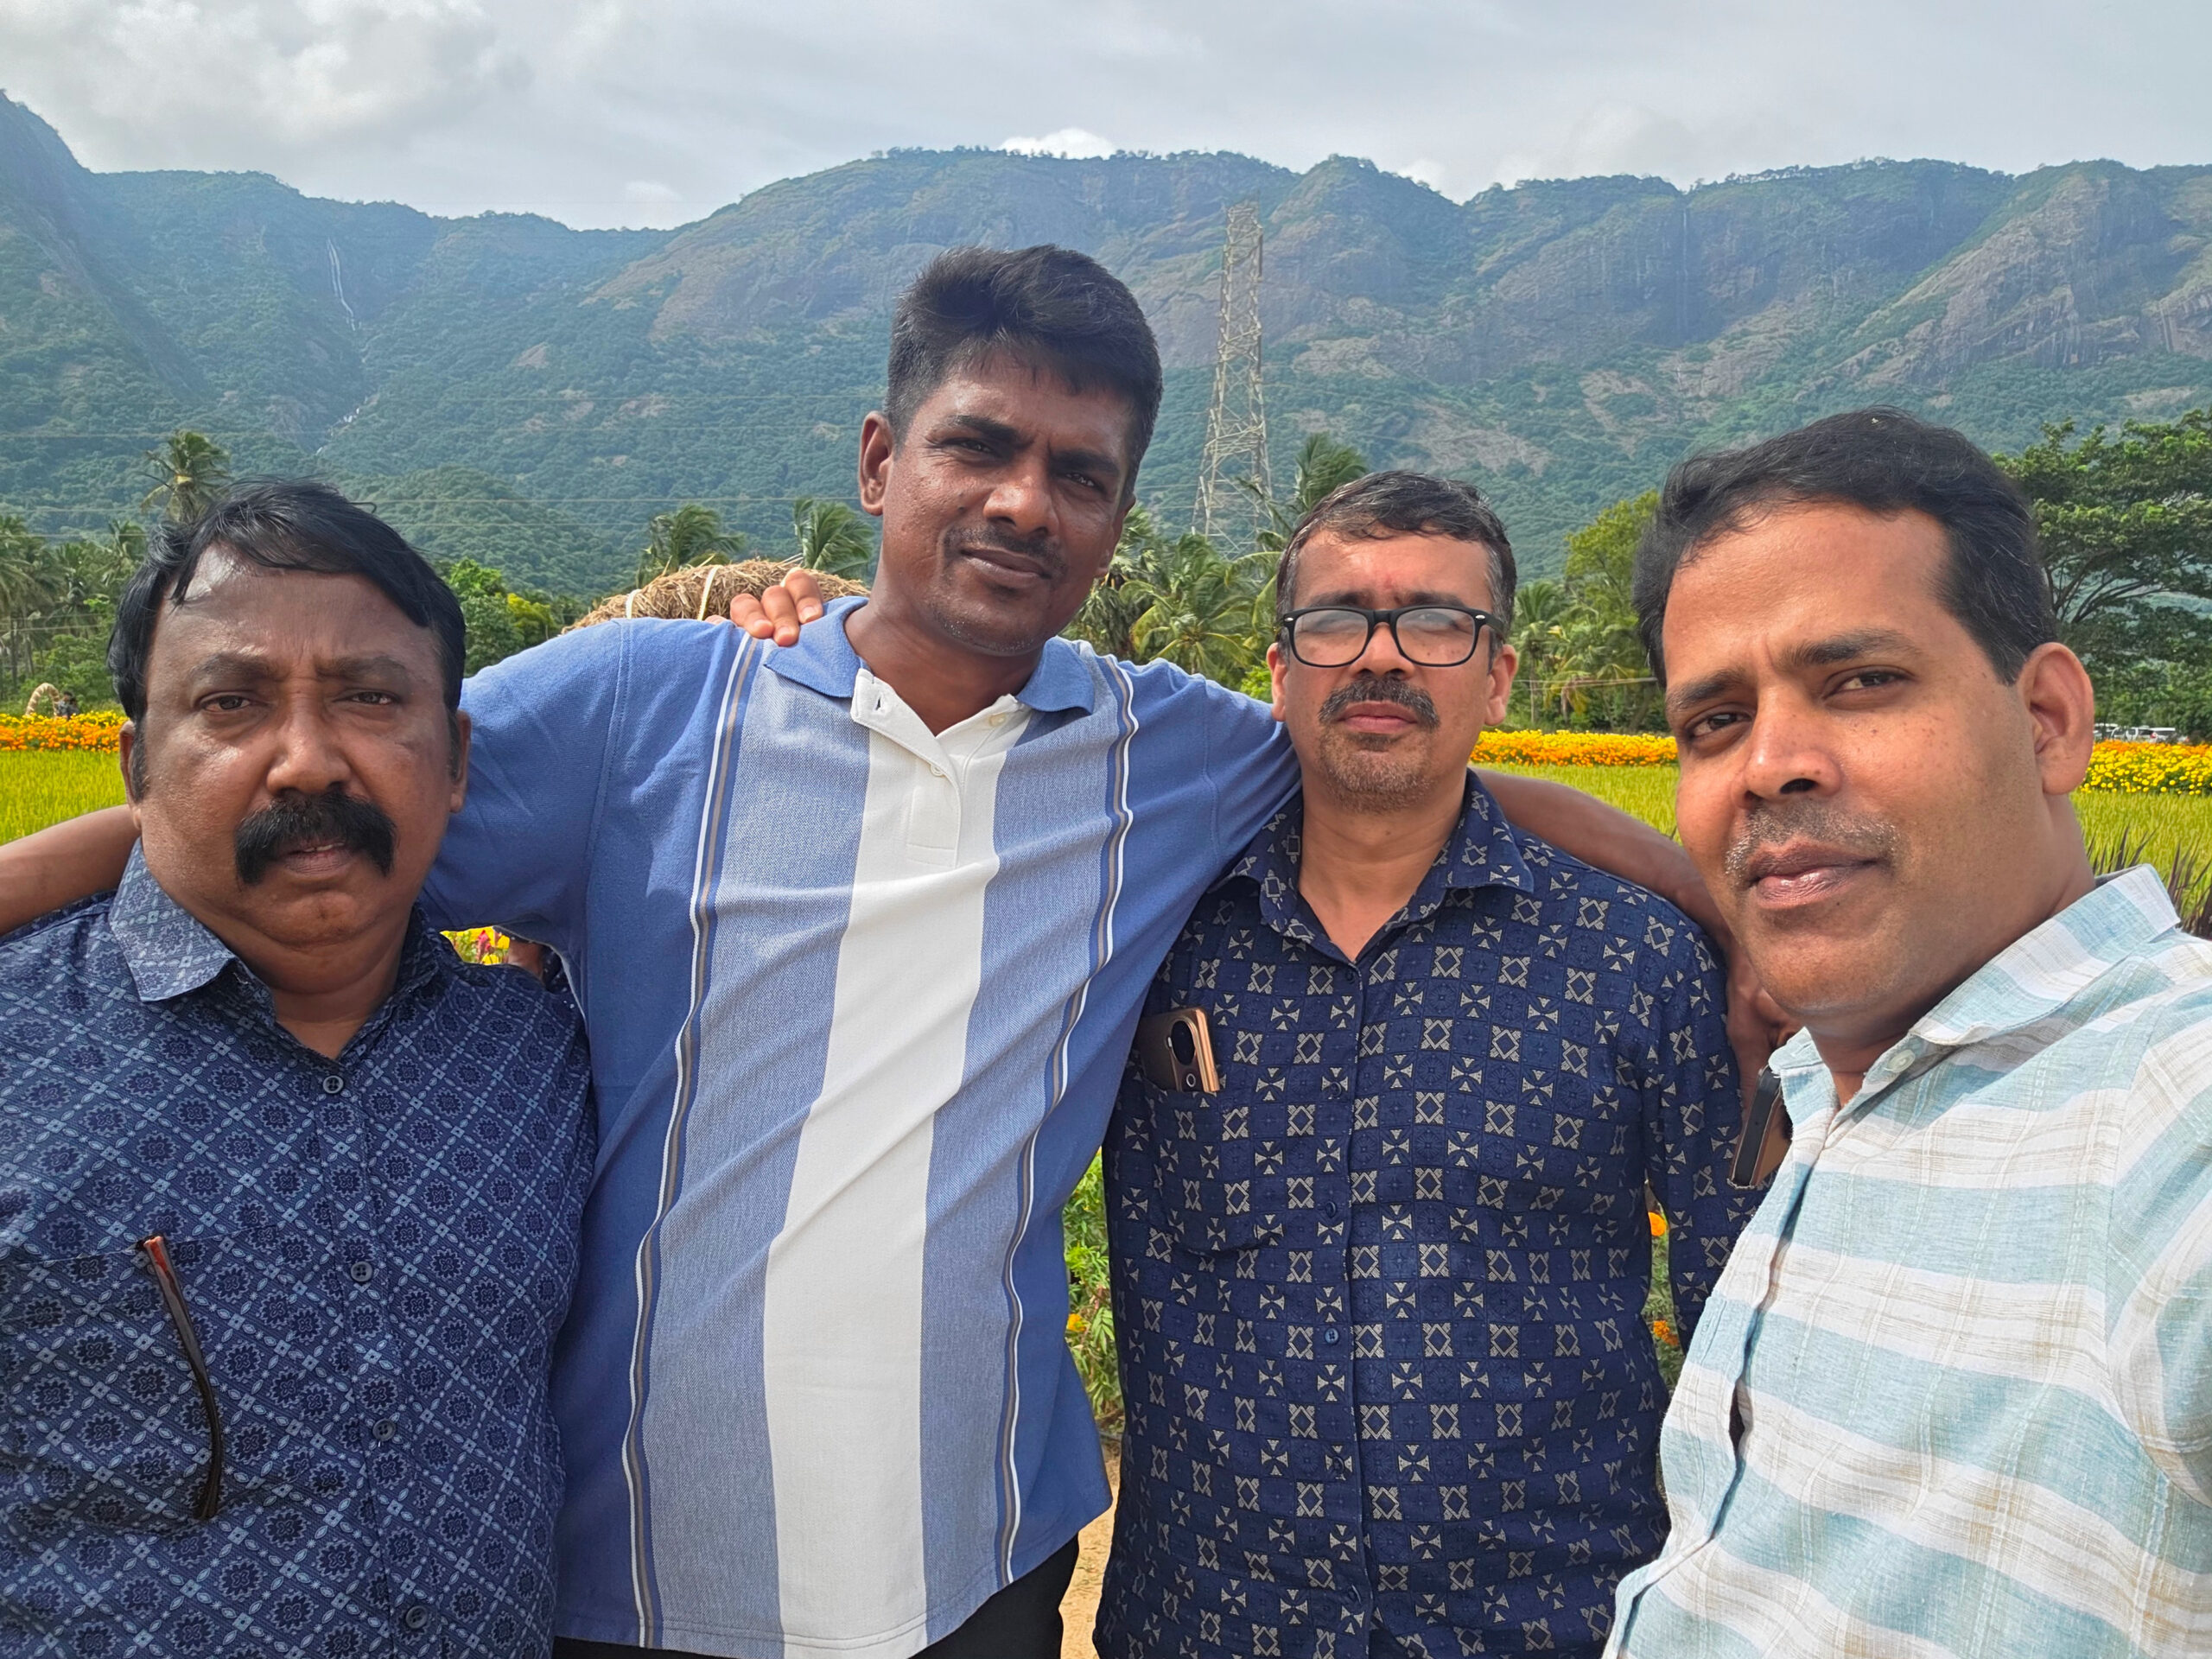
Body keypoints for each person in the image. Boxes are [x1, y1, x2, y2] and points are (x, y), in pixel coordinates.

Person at [0, 248, 1743, 1659]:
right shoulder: (644, 707)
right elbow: (315, 795)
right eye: (976, 448)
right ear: (876, 463)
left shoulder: (1169, 752)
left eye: (1079, 476)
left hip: (976, 1570)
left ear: (1116, 519)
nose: (1022, 504)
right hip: (637, 1576)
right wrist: (75, 852)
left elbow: (1424, 769)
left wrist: (1722, 912)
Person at [1092, 473, 1760, 1659]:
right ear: (1280, 669)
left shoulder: (1634, 955)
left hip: (1551, 1619)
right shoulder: (1146, 932)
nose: (1382, 657)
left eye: (1437, 623)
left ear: (1498, 674)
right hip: (1211, 1615)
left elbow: (1738, 1314)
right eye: (1337, 621)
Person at [1605, 409, 2212, 1657]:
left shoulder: (2165, 1108)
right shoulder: (1835, 1086)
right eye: (1714, 722)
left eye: (1861, 682)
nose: (1770, 764)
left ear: (2048, 721)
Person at [0, 482, 593, 1654]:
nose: (310, 763)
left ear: (456, 759)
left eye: (371, 697)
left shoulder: (541, 1060)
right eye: (232, 703)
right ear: (136, 764)